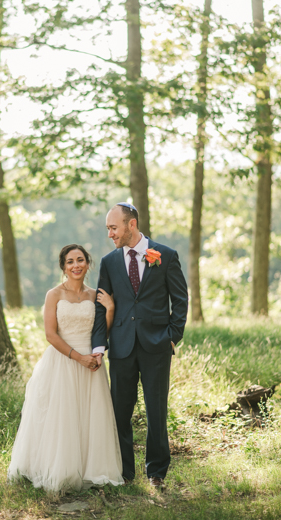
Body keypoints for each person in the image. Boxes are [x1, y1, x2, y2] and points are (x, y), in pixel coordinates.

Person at [8, 244, 123, 492]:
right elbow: (50, 334)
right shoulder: (54, 295)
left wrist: (110, 311)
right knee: (63, 417)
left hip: (92, 363)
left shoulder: (95, 296)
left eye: (80, 260)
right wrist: (77, 357)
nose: (76, 265)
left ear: (88, 264)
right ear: (63, 267)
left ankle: (91, 468)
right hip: (63, 360)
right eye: (70, 262)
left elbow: (102, 331)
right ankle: (62, 468)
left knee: (91, 415)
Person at [91, 202, 188, 489]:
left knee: (156, 410)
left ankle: (156, 472)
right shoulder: (109, 262)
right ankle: (124, 471)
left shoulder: (166, 256)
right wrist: (99, 345)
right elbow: (100, 306)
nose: (110, 234)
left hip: (156, 345)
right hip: (121, 346)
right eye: (108, 228)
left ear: (131, 224)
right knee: (120, 411)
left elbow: (180, 300)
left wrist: (172, 335)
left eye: (113, 227)